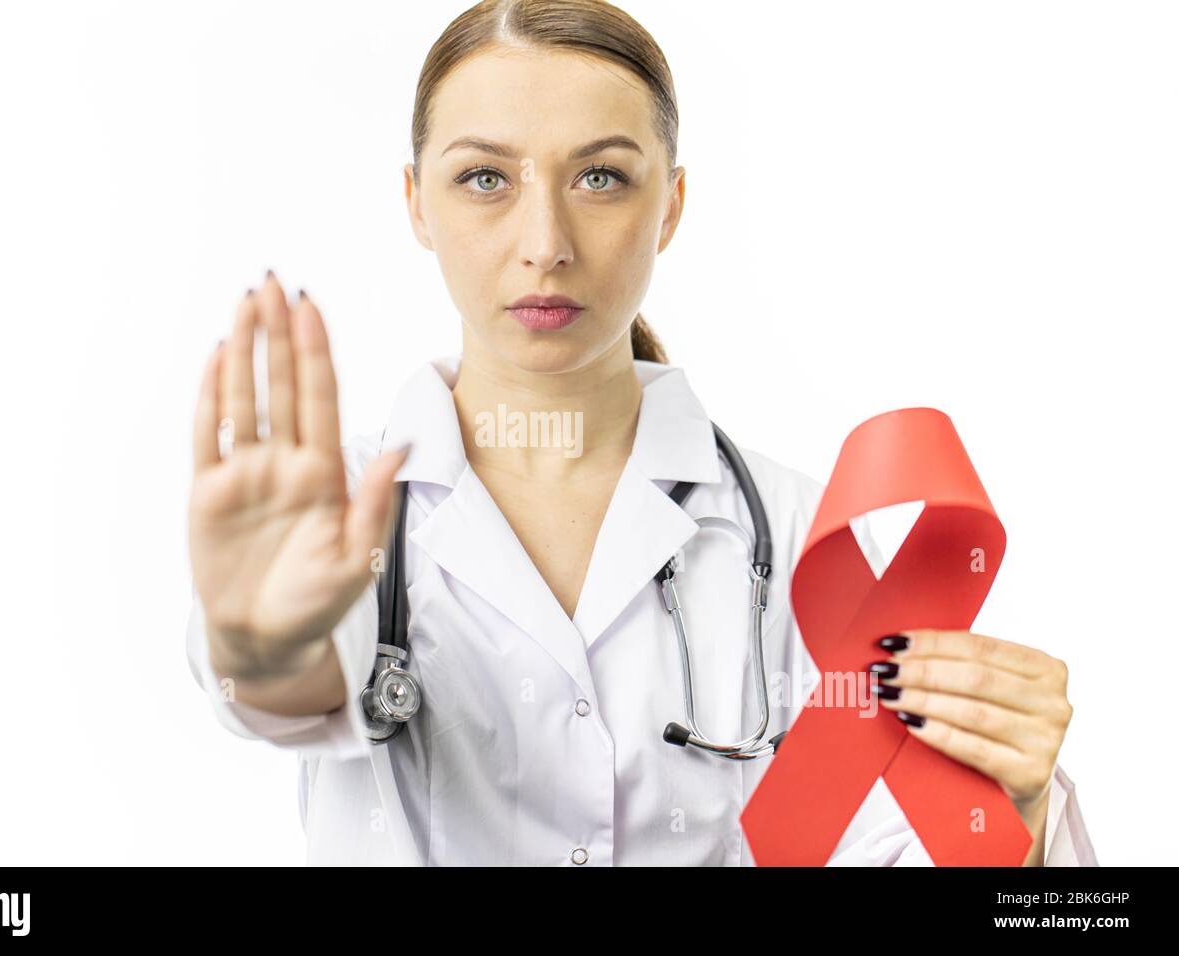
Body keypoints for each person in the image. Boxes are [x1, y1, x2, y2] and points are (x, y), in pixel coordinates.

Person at [184, 0, 1096, 866]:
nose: (546, 241)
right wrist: (261, 647)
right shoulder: (334, 523)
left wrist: (1006, 812)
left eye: (601, 177)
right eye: (486, 178)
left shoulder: (804, 540)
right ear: (418, 203)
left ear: (671, 204)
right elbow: (287, 693)